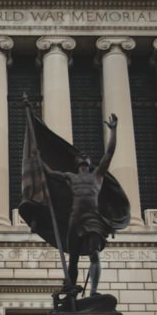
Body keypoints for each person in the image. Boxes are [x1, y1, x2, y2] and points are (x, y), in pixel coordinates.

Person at [44, 114, 118, 299]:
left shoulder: (97, 176)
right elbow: (51, 174)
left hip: (93, 218)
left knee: (94, 253)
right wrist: (37, 158)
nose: (84, 157)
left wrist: (113, 131)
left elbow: (109, 154)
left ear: (90, 162)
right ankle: (71, 294)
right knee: (73, 260)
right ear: (76, 162)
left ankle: (93, 292)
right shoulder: (71, 177)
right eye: (80, 157)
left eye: (87, 156)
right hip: (75, 218)